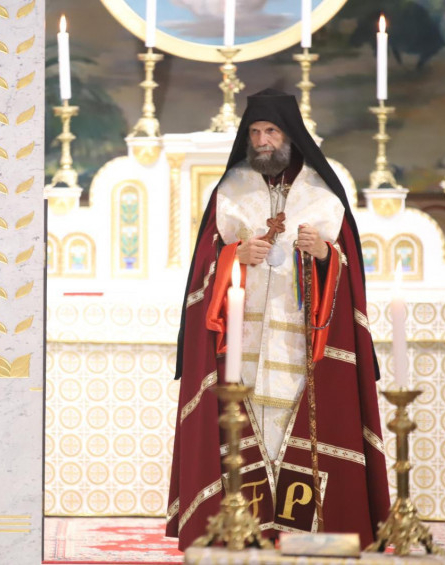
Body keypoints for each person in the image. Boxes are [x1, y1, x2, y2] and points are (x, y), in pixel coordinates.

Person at [165, 89, 390, 550]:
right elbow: (203, 268)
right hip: (241, 348)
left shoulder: (323, 193)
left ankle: (308, 537)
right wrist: (234, 256)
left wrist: (324, 253)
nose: (262, 141)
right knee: (246, 433)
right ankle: (242, 533)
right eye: (254, 132)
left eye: (270, 131)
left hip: (304, 347)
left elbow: (349, 271)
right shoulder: (230, 190)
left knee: (297, 433)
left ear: (289, 135)